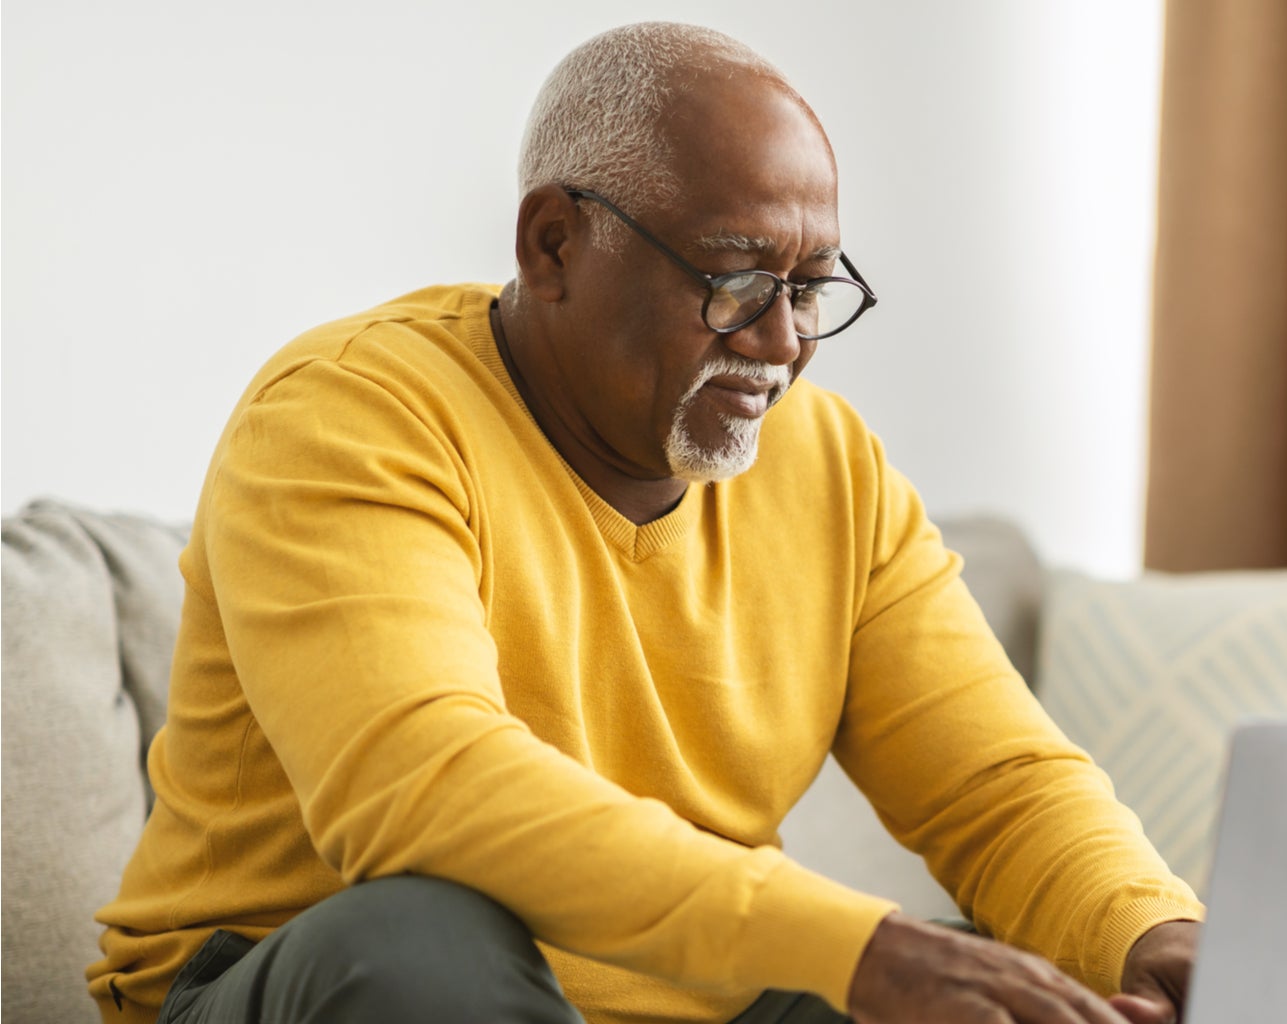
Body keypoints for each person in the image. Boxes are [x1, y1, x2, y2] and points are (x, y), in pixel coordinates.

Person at [85, 22, 1203, 1024]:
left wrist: (1150, 935)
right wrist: (852, 946)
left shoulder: (830, 469)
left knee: (1009, 998)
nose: (779, 344)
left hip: (683, 1000)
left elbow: (995, 786)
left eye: (810, 286)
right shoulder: (353, 414)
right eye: (732, 278)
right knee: (418, 940)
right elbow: (425, 790)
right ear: (553, 245)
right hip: (305, 978)